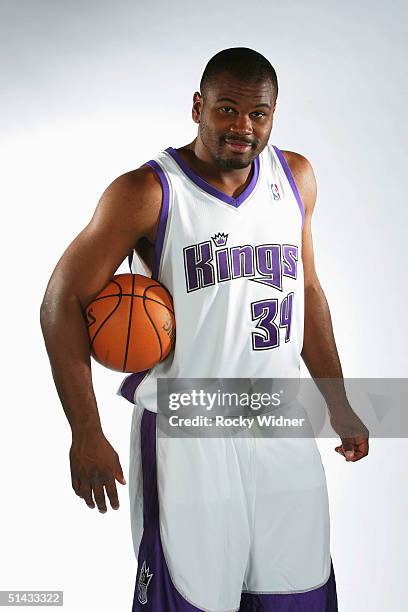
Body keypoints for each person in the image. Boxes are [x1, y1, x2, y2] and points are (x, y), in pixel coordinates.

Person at [40, 47, 369, 611]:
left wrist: (337, 401)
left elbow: (307, 290)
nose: (242, 127)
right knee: (191, 601)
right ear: (198, 107)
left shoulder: (295, 179)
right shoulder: (146, 192)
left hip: (277, 422)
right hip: (187, 430)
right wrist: (85, 431)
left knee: (301, 597)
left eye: (258, 114)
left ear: (273, 115)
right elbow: (61, 300)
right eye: (226, 110)